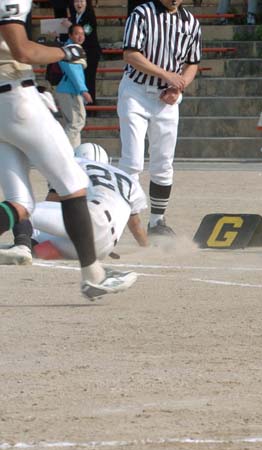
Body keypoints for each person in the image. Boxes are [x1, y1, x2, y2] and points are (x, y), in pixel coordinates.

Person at [0, 0, 137, 299]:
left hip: (5, 105)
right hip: (16, 98)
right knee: (73, 185)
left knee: (20, 203)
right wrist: (65, 52)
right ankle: (93, 275)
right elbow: (22, 50)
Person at [118, 0, 202, 237]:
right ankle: (124, 217)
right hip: (136, 92)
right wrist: (166, 74)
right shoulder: (142, 14)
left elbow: (192, 63)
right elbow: (130, 54)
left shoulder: (191, 23)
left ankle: (157, 221)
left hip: (167, 97)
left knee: (164, 162)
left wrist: (179, 86)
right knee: (132, 161)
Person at [0, 143, 149, 265]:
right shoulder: (130, 180)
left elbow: (52, 201)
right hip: (103, 248)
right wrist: (146, 248)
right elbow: (136, 225)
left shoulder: (75, 164)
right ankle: (32, 248)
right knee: (39, 243)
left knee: (23, 209)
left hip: (90, 220)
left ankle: (22, 246)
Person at [54, 24, 92, 148]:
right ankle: (61, 149)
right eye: (76, 34)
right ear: (70, 35)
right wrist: (83, 90)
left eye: (82, 34)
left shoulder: (69, 49)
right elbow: (74, 72)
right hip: (70, 90)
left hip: (65, 89)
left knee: (72, 123)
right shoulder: (72, 51)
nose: (80, 36)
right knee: (77, 122)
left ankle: (74, 153)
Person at [69, 0, 100, 104]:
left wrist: (71, 27)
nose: (79, 4)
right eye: (76, 1)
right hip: (79, 53)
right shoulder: (74, 16)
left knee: (89, 80)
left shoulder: (89, 16)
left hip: (90, 53)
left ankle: (91, 106)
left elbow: (87, 32)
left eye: (82, 1)